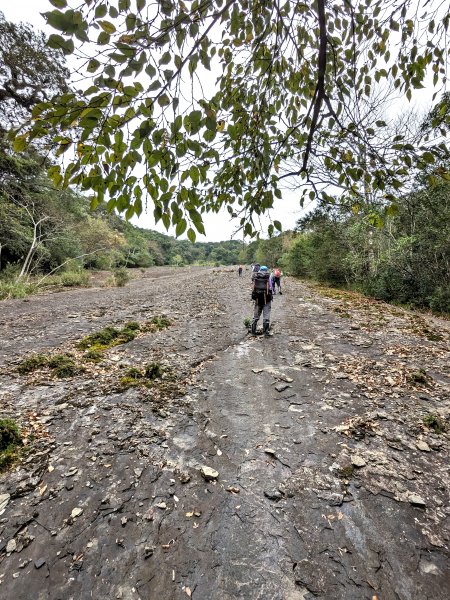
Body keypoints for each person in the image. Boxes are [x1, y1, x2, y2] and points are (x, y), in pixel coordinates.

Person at [250, 265, 273, 336]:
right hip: (267, 299)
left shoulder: (256, 276)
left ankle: (253, 331)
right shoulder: (268, 276)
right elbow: (271, 287)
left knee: (256, 316)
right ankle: (266, 332)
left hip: (257, 299)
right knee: (266, 315)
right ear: (266, 270)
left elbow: (253, 286)